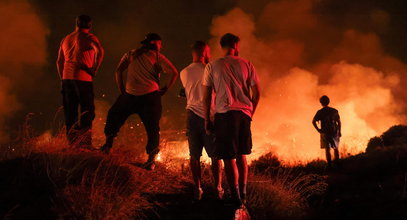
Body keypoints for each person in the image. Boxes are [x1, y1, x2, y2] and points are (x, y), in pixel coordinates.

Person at [101, 33, 178, 170]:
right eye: (160, 44)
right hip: (150, 97)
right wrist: (165, 88)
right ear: (154, 43)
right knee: (153, 128)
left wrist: (122, 90)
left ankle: (107, 145)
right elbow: (174, 72)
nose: (161, 46)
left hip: (129, 96)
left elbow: (118, 71)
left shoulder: (131, 53)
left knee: (113, 116)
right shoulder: (158, 56)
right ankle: (151, 160)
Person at [202, 33, 260, 206]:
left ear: (223, 46)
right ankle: (243, 192)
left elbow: (206, 96)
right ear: (235, 45)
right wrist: (251, 113)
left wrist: (207, 119)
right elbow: (257, 94)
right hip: (243, 114)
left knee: (228, 157)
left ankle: (234, 196)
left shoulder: (212, 66)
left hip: (224, 114)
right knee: (242, 154)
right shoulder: (247, 64)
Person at [180, 41, 223, 200]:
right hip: (209, 115)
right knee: (215, 155)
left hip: (191, 115)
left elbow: (188, 92)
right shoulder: (210, 69)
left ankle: (198, 188)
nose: (210, 55)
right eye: (209, 52)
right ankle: (218, 188)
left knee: (194, 155)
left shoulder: (183, 72)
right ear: (204, 52)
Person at [56, 15, 104, 148]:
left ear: (76, 24)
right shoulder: (89, 38)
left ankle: (72, 143)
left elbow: (59, 61)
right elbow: (100, 51)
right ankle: (85, 143)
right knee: (87, 111)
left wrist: (63, 78)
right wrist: (93, 69)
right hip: (83, 79)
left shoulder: (66, 39)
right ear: (90, 25)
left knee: (70, 112)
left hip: (67, 79)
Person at [312, 95, 341, 168]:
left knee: (327, 149)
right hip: (334, 132)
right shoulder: (334, 111)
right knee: (335, 148)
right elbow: (339, 122)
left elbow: (313, 121)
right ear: (329, 101)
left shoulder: (320, 112)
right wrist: (339, 131)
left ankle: (329, 165)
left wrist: (318, 130)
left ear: (321, 103)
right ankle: (337, 164)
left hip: (325, 132)